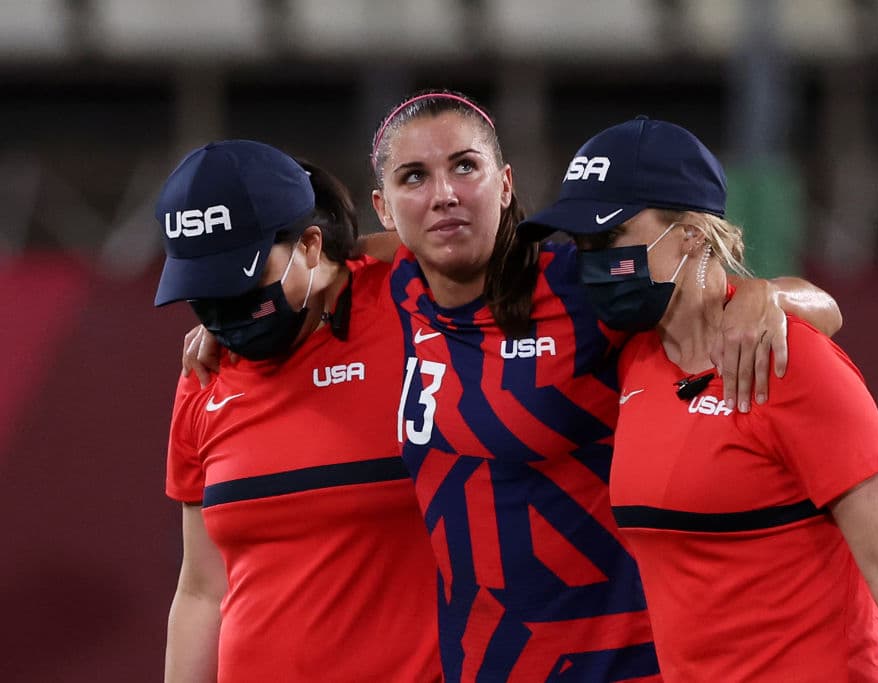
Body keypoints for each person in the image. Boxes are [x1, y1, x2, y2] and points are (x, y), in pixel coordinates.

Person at [184, 91, 842, 681]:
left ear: (504, 184)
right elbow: (320, 266)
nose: (444, 193)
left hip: (622, 662)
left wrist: (767, 295)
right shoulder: (398, 289)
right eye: (415, 176)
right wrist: (225, 323)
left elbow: (807, 310)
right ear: (385, 206)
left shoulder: (581, 287)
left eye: (464, 166)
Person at [518, 117, 878, 681]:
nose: (592, 263)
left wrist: (771, 292)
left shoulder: (794, 363)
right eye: (580, 244)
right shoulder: (634, 360)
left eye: (608, 239)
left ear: (693, 234)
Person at [155, 140, 441, 682]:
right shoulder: (204, 375)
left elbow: (491, 243)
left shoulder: (412, 302)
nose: (224, 312)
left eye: (242, 283)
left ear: (311, 244)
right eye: (205, 291)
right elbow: (201, 590)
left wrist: (352, 252)